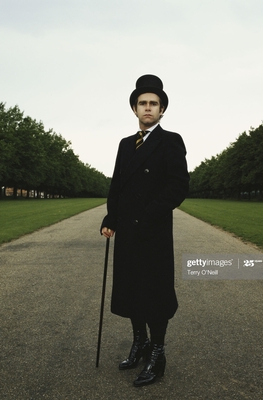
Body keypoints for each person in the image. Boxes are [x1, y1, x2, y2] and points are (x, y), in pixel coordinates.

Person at [100, 74, 189, 387]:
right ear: (135, 109)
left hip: (153, 232)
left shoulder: (171, 141)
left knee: (155, 293)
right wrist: (110, 217)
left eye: (153, 103)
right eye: (143, 103)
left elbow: (178, 186)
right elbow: (117, 186)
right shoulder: (126, 145)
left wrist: (146, 215)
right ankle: (140, 343)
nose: (148, 108)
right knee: (130, 288)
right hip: (127, 231)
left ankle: (158, 353)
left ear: (162, 109)